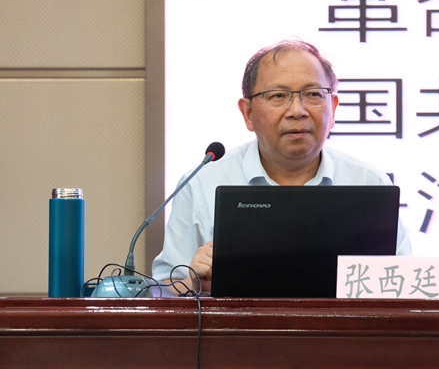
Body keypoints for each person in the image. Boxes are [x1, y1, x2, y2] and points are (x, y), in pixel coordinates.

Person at [152, 40, 411, 293]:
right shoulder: (202, 182)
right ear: (248, 113)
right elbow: (160, 290)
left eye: (313, 94)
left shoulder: (368, 182)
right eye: (278, 96)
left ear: (333, 108)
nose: (297, 111)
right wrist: (194, 284)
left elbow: (404, 286)